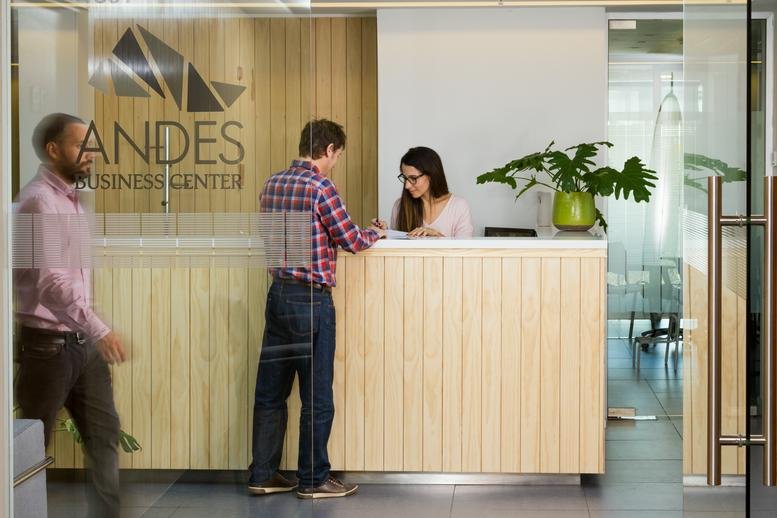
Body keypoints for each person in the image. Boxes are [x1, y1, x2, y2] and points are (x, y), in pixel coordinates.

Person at [249, 119, 385, 499]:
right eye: (337, 156)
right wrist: (376, 232)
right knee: (317, 396)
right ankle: (313, 479)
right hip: (311, 299)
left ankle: (263, 474)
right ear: (329, 150)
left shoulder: (272, 184)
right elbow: (351, 240)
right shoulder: (320, 186)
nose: (335, 162)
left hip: (278, 294)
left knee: (270, 393)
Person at [14, 113, 126, 518]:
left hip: (81, 344)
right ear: (53, 149)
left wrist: (91, 330)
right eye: (81, 145)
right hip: (47, 348)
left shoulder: (72, 201)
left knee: (104, 436)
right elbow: (51, 282)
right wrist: (99, 328)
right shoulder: (39, 202)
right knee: (30, 445)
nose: (91, 153)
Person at [375, 146, 473, 238]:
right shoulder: (399, 206)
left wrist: (437, 237)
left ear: (431, 175)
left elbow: (465, 249)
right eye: (405, 178)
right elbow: (396, 247)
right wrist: (385, 233)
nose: (407, 186)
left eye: (413, 178)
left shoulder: (458, 206)